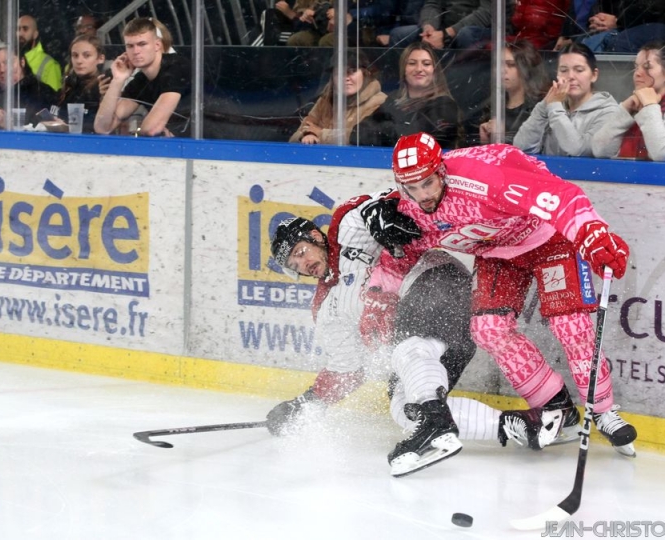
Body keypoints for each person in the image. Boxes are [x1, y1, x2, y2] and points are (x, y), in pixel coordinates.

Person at [366, 132, 639, 457]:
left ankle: (604, 411)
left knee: (570, 327)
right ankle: (557, 407)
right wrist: (380, 297)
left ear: (441, 171)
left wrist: (592, 232)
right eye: (412, 187)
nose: (422, 195)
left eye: (428, 183)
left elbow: (561, 196)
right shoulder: (407, 210)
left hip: (549, 240)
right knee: (488, 329)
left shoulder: (483, 179)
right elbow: (401, 254)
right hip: (497, 254)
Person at [266, 197, 567, 477]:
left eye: (300, 252)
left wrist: (379, 211)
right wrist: (305, 403)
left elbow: (384, 204)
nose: (303, 265)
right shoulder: (325, 308)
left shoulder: (346, 231)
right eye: (294, 265)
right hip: (438, 343)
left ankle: (436, 424)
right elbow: (348, 365)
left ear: (315, 236)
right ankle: (522, 425)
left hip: (441, 284)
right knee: (406, 409)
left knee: (408, 347)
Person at [592, 42, 665, 163]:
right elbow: (600, 150)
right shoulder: (635, 107)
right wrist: (624, 110)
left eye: (647, 67)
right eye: (636, 67)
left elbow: (662, 153)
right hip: (628, 174)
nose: (637, 73)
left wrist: (650, 106)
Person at [513, 43, 617, 157]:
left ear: (594, 75)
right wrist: (543, 107)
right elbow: (521, 149)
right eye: (563, 70)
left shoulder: (609, 112)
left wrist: (554, 107)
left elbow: (579, 151)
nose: (570, 76)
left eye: (579, 70)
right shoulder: (553, 105)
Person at [94, 18, 191, 137]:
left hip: (206, 138)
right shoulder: (141, 79)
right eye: (130, 46)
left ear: (157, 45)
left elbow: (152, 129)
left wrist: (138, 132)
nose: (136, 51)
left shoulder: (176, 67)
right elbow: (102, 127)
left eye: (142, 44)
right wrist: (118, 80)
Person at [357, 42, 463, 148]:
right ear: (404, 69)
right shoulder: (393, 100)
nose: (419, 69)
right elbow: (358, 133)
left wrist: (385, 129)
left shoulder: (445, 105)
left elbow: (420, 142)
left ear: (434, 71)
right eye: (412, 63)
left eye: (426, 64)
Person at [289, 51, 386, 145]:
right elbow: (297, 135)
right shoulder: (325, 100)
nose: (346, 78)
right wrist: (307, 135)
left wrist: (320, 134)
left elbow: (363, 138)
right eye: (339, 73)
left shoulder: (379, 102)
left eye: (352, 71)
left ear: (366, 74)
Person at [477, 40, 549, 145]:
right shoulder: (492, 105)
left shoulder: (540, 108)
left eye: (511, 65)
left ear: (527, 69)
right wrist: (485, 141)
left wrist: (505, 137)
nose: (502, 70)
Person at [0, 39, 59, 130]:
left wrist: (11, 125)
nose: (2, 70)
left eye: (8, 62)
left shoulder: (40, 91)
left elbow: (46, 128)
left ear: (22, 62)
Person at [58, 35, 110, 134]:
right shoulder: (69, 86)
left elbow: (103, 125)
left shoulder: (104, 87)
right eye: (75, 55)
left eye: (87, 56)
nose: (79, 61)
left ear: (100, 58)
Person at [387, 0, 489, 48]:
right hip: (443, 28)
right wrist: (429, 27)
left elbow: (487, 13)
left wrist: (446, 34)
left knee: (465, 34)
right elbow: (432, 4)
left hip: (479, 30)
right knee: (399, 34)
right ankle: (398, 84)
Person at [17, 14, 63, 92]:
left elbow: (54, 97)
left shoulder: (50, 65)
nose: (20, 33)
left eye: (25, 29)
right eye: (18, 29)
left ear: (35, 34)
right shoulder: (10, 59)